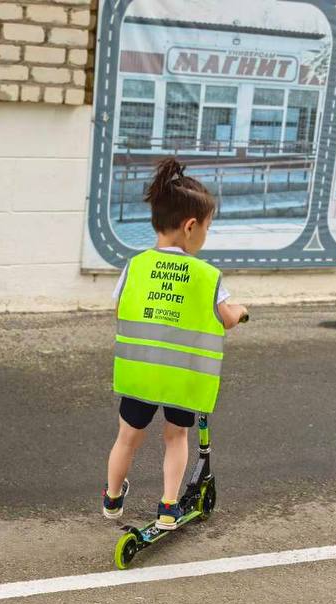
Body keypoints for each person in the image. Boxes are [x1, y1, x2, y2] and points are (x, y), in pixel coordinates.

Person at [102, 158, 247, 528]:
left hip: (140, 374)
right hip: (181, 379)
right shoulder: (205, 275)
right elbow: (227, 318)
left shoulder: (135, 266)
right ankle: (168, 506)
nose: (205, 236)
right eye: (207, 229)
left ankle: (113, 498)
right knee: (175, 437)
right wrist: (242, 311)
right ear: (190, 226)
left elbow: (121, 309)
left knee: (127, 438)